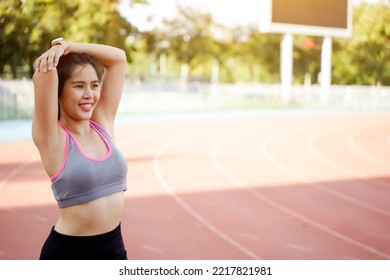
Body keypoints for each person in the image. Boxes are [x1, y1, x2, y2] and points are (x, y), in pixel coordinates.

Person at [32, 38, 128, 259]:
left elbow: (118, 59)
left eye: (94, 85)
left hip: (114, 249)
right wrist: (55, 52)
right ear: (59, 92)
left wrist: (70, 47)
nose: (89, 94)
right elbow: (44, 74)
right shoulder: (52, 138)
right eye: (78, 86)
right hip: (69, 255)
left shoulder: (102, 123)